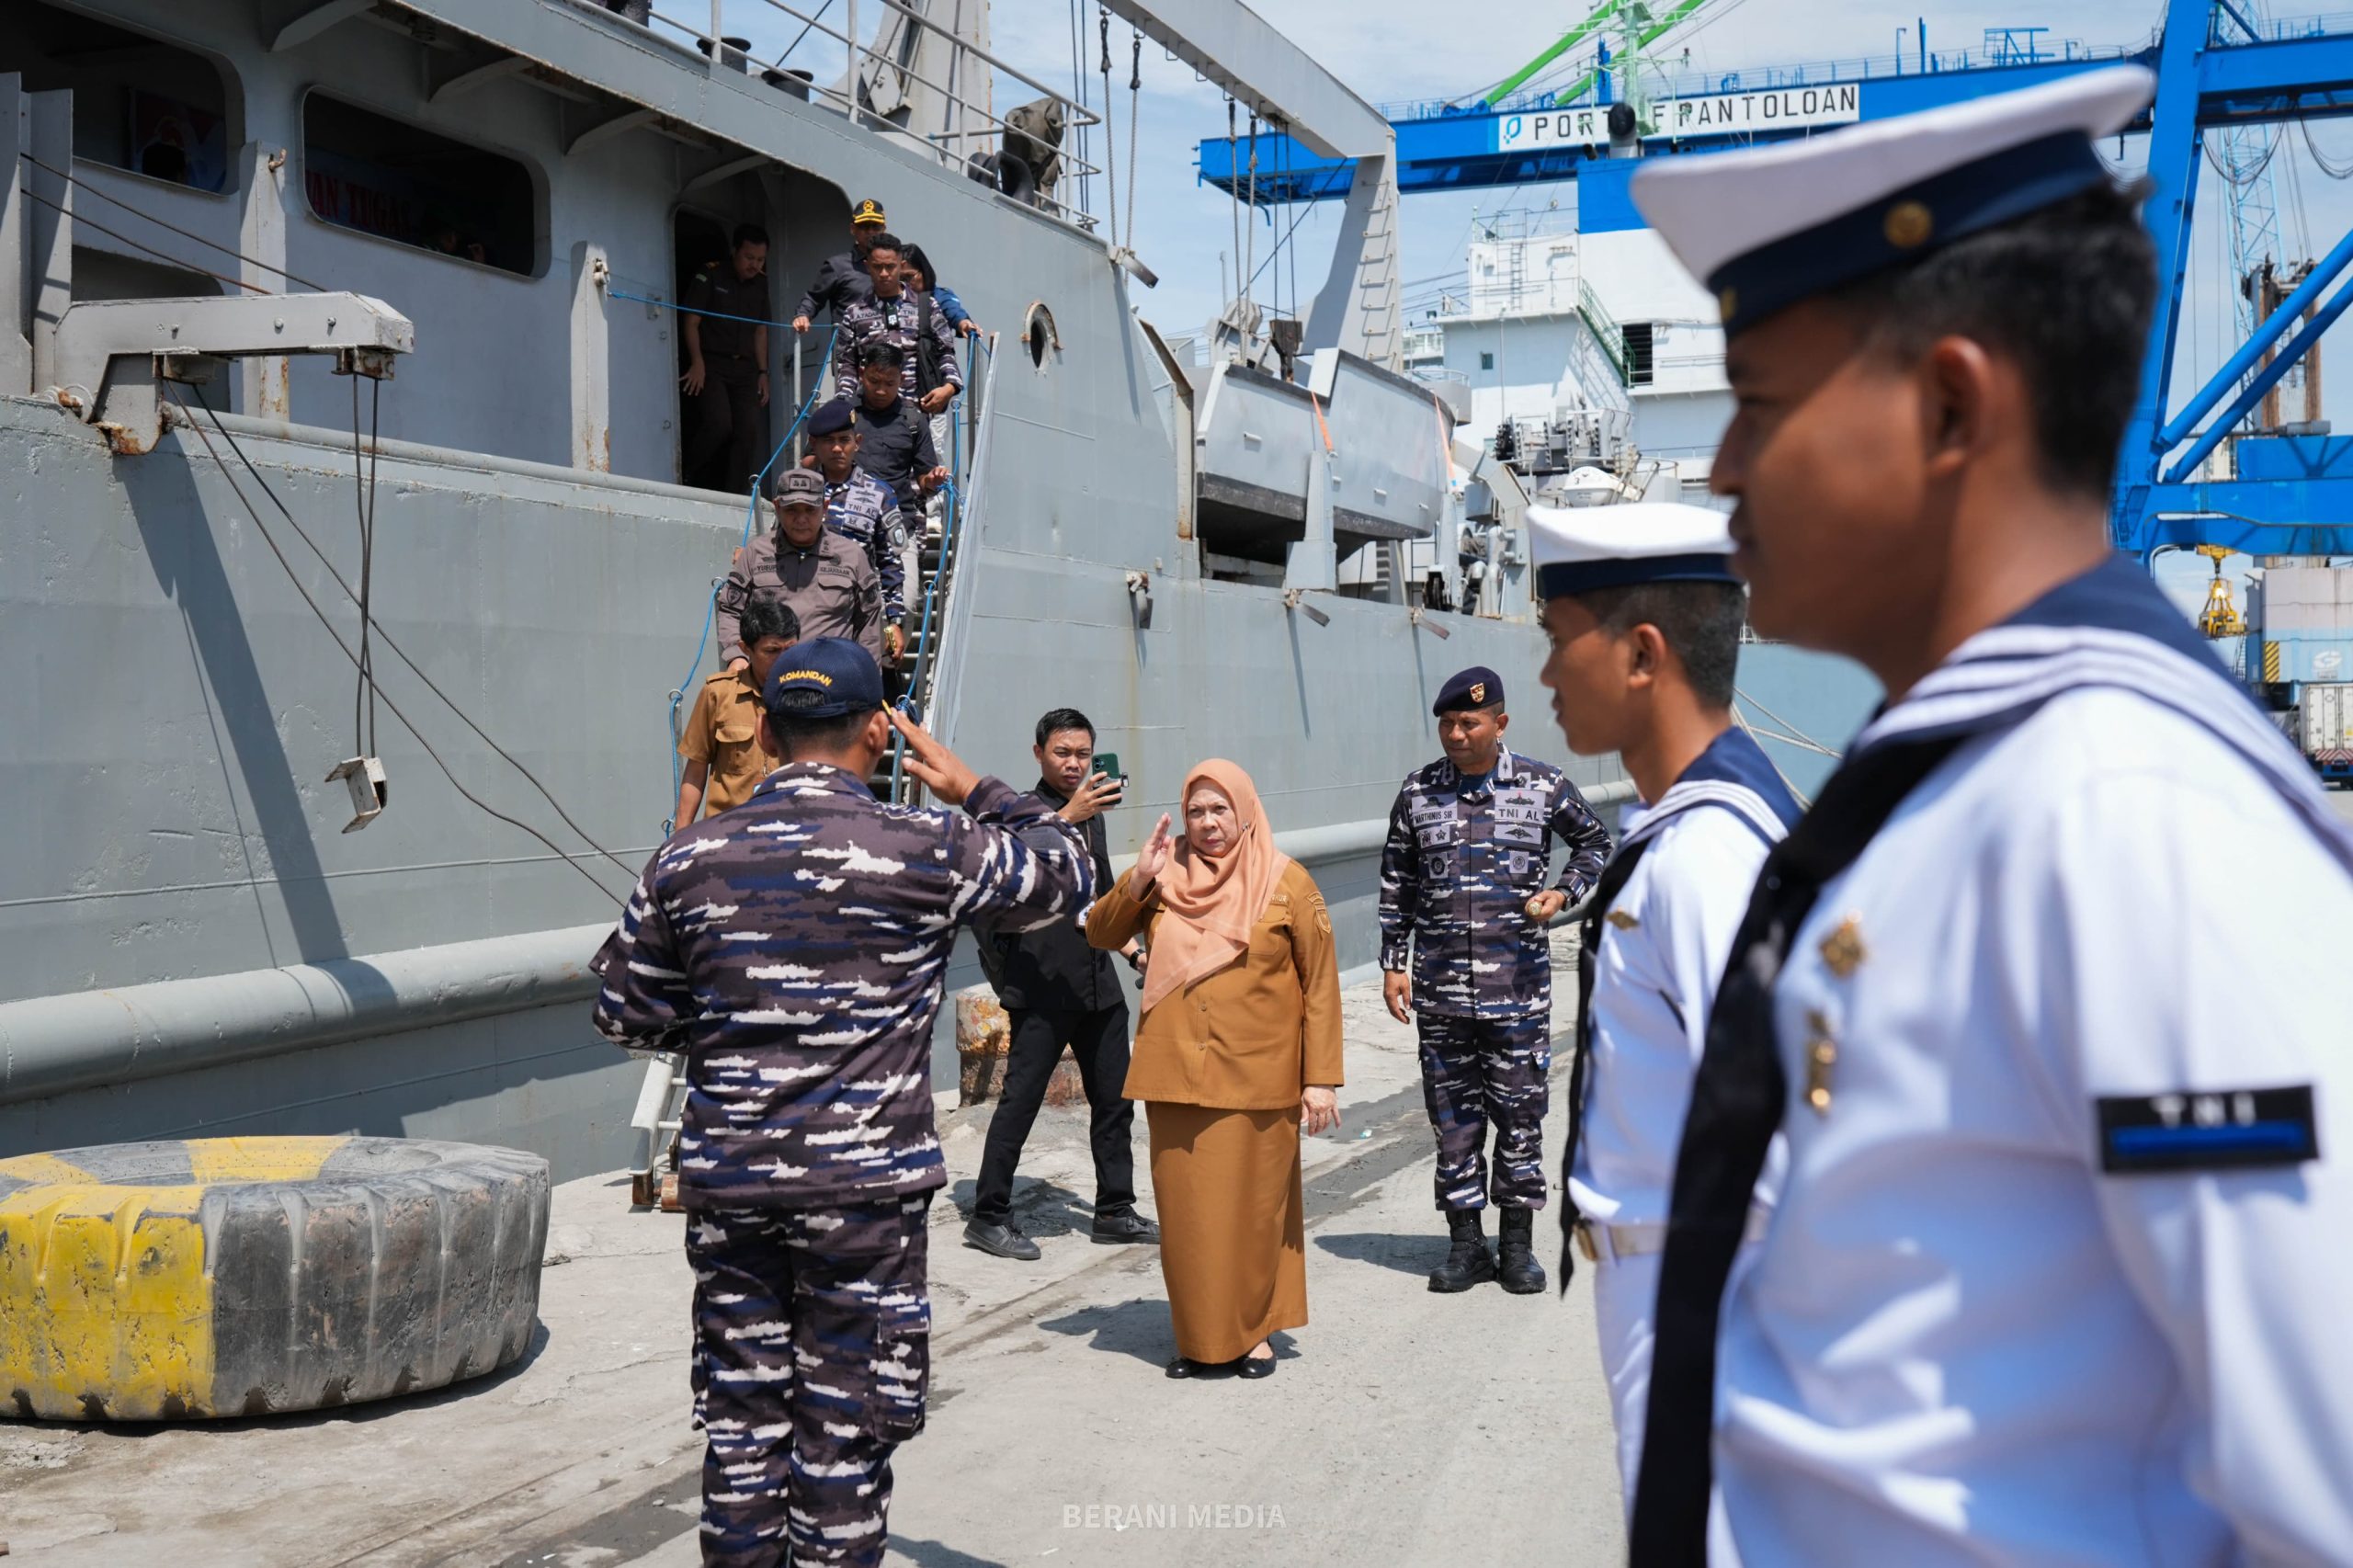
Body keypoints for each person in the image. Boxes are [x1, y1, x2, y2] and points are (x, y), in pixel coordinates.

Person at [1626, 67, 2353, 1566]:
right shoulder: (1988, 783)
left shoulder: (2127, 822)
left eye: (1758, 401)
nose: (1723, 467)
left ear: (1953, 404)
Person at [593, 637, 1095, 1568]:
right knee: (845, 1434)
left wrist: (740, 1027)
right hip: (865, 1199)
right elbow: (1066, 871)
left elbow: (625, 1012)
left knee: (743, 1433)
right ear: (878, 732)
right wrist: (977, 788)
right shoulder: (928, 846)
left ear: (768, 735)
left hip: (733, 1190)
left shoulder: (685, 859)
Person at [1527, 501, 1799, 1513]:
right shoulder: (1687, 829)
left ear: (1642, 654)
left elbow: (1793, 1144)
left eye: (1559, 639)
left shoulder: (1706, 859)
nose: (1545, 674)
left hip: (1708, 1304)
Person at [1086, 762, 1343, 1380]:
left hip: (1258, 1077)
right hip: (1175, 1073)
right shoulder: (1163, 875)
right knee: (1188, 1219)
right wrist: (1138, 879)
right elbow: (1100, 932)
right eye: (1196, 811)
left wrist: (1320, 1079)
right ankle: (1200, 1339)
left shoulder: (1287, 881)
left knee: (1252, 1216)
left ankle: (1253, 1335)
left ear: (1245, 812)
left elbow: (1319, 986)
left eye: (1220, 810)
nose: (1207, 823)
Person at [1377, 666, 1609, 1297]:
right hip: (1441, 992)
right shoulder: (1419, 792)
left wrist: (1563, 892)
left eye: (1469, 723)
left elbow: (1595, 842)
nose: (1456, 734)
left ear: (1499, 723)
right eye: (1447, 724)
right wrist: (1394, 962)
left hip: (1518, 991)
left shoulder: (1542, 785)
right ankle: (1466, 1246)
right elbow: (1398, 880)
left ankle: (1517, 1248)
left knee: (1520, 1116)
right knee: (1453, 1121)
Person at [966, 709, 1155, 1259]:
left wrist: (1132, 950)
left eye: (1083, 754)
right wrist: (1068, 816)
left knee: (1115, 1101)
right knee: (1020, 1103)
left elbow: (1097, 899)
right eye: (1062, 753)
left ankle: (1115, 1209)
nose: (1074, 764)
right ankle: (988, 1215)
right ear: (1038, 754)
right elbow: (1012, 876)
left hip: (1097, 981)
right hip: (1042, 983)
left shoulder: (1092, 816)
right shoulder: (1018, 815)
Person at [715, 467, 881, 668]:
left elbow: (869, 624)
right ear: (777, 507)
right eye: (791, 509)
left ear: (825, 507)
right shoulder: (755, 554)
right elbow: (730, 610)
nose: (801, 519)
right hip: (769, 678)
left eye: (810, 510)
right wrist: (737, 656)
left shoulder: (852, 556)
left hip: (832, 678)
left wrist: (867, 675)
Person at [675, 593, 799, 828]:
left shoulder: (812, 696)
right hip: (728, 833)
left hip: (788, 833)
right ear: (746, 648)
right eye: (772, 651)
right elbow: (696, 770)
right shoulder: (718, 694)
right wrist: (680, 837)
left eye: (790, 649)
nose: (783, 659)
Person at [802, 399, 906, 663]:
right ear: (814, 444)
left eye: (844, 440)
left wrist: (894, 621)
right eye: (828, 441)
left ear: (857, 442)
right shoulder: (800, 491)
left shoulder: (880, 494)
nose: (837, 448)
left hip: (858, 614)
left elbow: (890, 563)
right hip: (805, 607)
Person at [680, 223, 772, 494]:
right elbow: (691, 321)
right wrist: (697, 362)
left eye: (760, 260)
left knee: (748, 433)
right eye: (749, 257)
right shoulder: (711, 274)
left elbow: (760, 330)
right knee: (718, 424)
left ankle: (735, 494)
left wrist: (763, 372)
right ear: (735, 251)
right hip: (712, 364)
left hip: (745, 368)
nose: (754, 265)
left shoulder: (761, 284)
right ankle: (688, 474)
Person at [831, 234, 962, 417]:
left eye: (890, 266)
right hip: (868, 417)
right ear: (867, 266)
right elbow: (847, 363)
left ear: (901, 265)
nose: (884, 273)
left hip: (916, 414)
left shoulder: (926, 307)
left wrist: (949, 387)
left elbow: (945, 352)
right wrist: (844, 402)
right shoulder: (854, 313)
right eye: (877, 267)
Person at [848, 343, 949, 511]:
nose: (881, 391)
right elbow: (810, 462)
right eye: (874, 381)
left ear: (901, 380)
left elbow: (925, 481)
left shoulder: (914, 421)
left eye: (889, 383)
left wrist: (933, 482)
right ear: (861, 374)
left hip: (897, 519)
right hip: (847, 516)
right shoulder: (841, 413)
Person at [792, 197, 891, 332]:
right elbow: (814, 299)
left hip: (887, 342)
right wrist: (803, 315)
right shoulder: (837, 266)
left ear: (883, 229)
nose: (870, 231)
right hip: (849, 343)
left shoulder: (894, 264)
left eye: (875, 226)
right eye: (864, 226)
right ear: (852, 229)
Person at [899, 244, 979, 337]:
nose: (905, 283)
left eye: (909, 277)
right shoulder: (893, 301)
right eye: (900, 279)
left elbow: (953, 311)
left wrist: (964, 324)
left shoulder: (939, 297)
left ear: (924, 271)